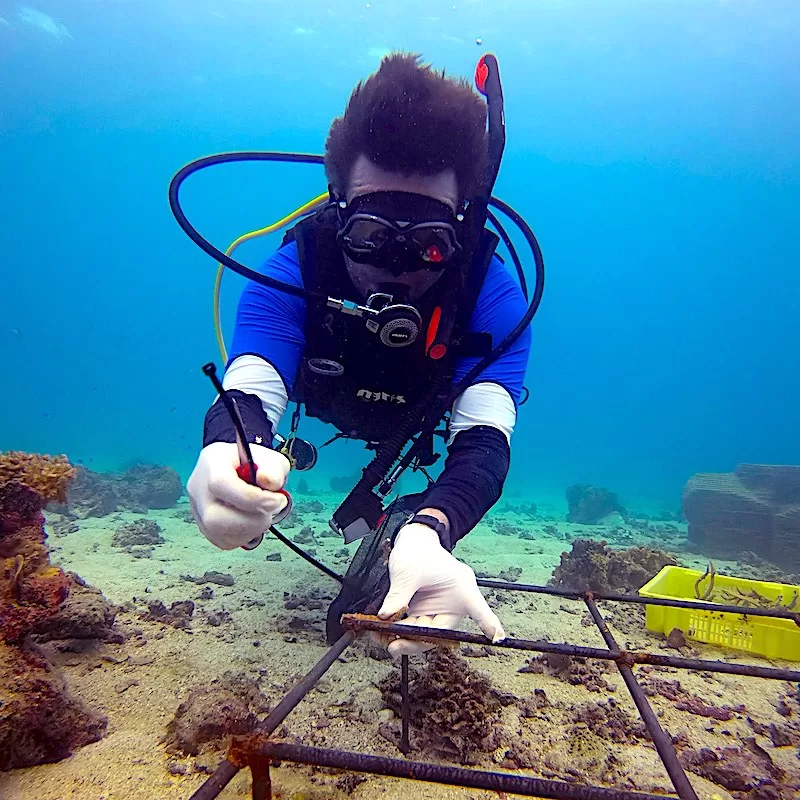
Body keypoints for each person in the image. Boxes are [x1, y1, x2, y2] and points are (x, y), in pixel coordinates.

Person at [187, 53, 532, 657]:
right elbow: (250, 385)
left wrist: (434, 527)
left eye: (428, 245)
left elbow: (484, 443)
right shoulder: (292, 273)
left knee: (414, 520)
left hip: (415, 421)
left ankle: (405, 534)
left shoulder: (493, 297)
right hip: (330, 396)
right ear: (337, 209)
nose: (393, 268)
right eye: (372, 235)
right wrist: (224, 450)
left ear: (461, 226)